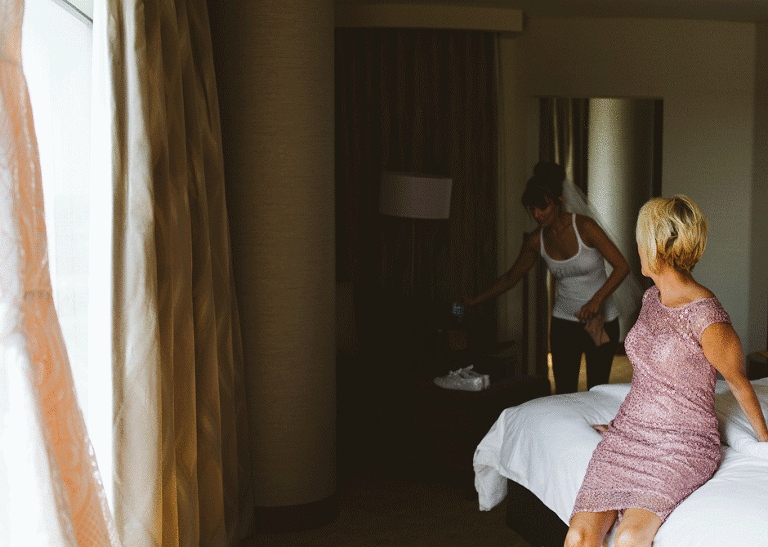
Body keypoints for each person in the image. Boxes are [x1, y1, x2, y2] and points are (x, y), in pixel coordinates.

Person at [565, 195, 768, 547]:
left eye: (640, 240)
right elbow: (650, 376)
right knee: (578, 537)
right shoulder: (650, 298)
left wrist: (765, 442)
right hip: (628, 436)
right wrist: (621, 424)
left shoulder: (708, 319)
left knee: (629, 538)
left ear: (656, 247)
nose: (637, 249)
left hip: (681, 445)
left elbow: (739, 384)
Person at [463, 162, 630, 394]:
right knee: (564, 392)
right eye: (532, 208)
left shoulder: (585, 227)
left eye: (543, 207)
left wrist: (596, 300)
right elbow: (511, 277)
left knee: (597, 390)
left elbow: (622, 266)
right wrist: (475, 300)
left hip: (599, 321)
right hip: (564, 322)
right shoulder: (535, 241)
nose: (537, 214)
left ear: (559, 201)